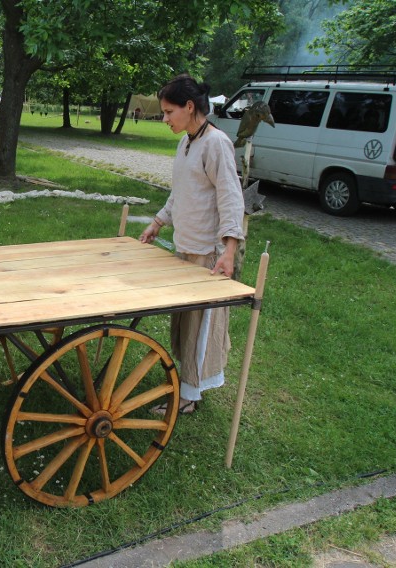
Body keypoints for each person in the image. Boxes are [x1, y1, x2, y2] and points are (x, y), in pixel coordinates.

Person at [139, 74, 245, 415]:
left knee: (200, 329)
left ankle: (188, 397)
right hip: (185, 248)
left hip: (208, 255)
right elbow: (180, 192)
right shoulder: (185, 142)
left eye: (170, 111)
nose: (165, 118)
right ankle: (185, 386)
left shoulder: (216, 144)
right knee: (184, 324)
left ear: (189, 107)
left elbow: (231, 198)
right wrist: (158, 222)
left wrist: (229, 251)